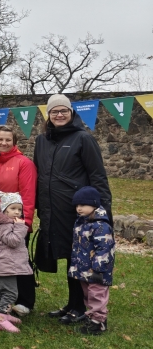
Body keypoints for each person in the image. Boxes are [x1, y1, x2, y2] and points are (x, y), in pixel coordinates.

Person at [33, 94, 113, 326]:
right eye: (54, 111)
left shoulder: (83, 138)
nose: (59, 115)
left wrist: (102, 211)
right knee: (67, 256)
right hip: (51, 209)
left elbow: (97, 176)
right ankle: (72, 303)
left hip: (76, 211)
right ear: (48, 114)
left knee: (78, 258)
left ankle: (79, 306)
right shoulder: (41, 140)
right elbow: (39, 174)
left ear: (71, 113)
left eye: (64, 111)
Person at [0, 125, 37, 314]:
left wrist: (25, 222)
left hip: (15, 221)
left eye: (8, 140)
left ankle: (24, 300)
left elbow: (28, 195)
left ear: (14, 142)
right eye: (0, 139)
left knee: (18, 260)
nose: (4, 143)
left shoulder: (24, 163)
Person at [67, 186, 115, 335]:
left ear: (94, 204)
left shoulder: (101, 226)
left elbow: (104, 247)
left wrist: (98, 267)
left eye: (82, 205)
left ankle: (98, 322)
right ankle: (92, 318)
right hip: (84, 269)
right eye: (77, 205)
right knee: (88, 295)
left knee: (97, 295)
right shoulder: (82, 223)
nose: (79, 208)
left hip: (97, 270)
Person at [0, 193, 31, 334]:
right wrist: (21, 227)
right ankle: (1, 319)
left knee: (1, 290)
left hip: (7, 264)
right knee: (10, 293)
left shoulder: (7, 224)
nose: (17, 212)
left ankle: (1, 313)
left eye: (19, 209)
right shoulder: (3, 226)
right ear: (4, 210)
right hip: (5, 264)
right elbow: (13, 241)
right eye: (13, 208)